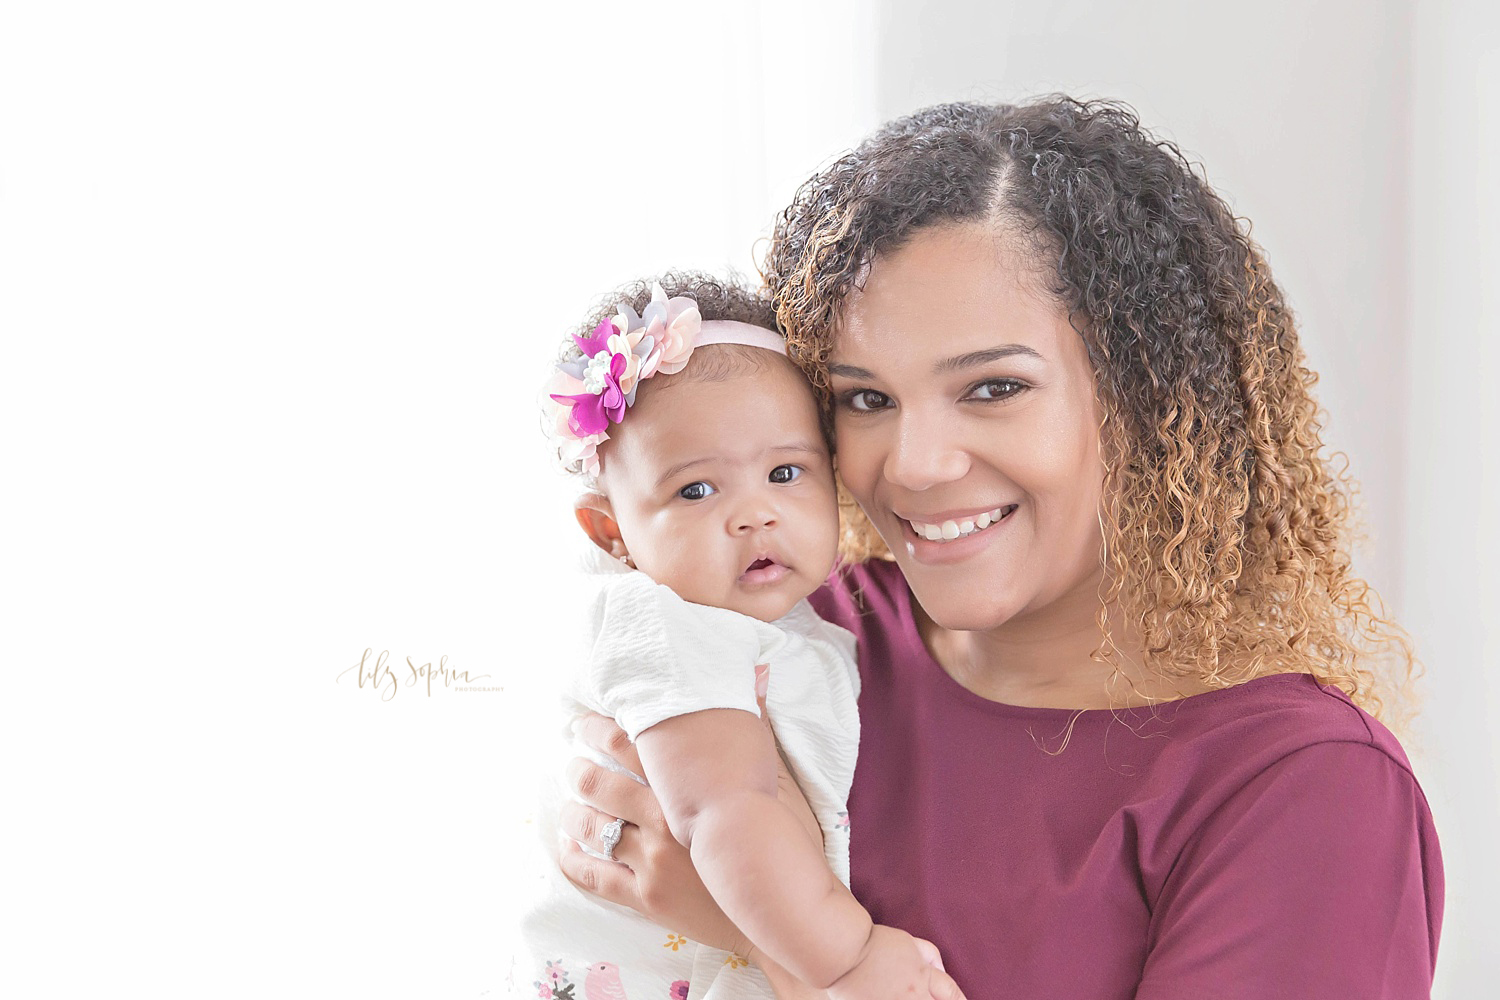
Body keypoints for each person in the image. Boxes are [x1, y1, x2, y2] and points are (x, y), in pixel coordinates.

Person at [554, 100, 1445, 999]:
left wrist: (757, 939)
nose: (918, 465)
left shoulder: (1304, 790)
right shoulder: (795, 632)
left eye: (993, 387)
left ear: (1144, 397)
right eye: (867, 399)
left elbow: (692, 872)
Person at [521, 275, 964, 1000]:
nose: (754, 514)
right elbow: (727, 811)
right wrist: (850, 963)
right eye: (697, 491)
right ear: (613, 533)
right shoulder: (665, 625)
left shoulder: (782, 619)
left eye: (785, 473)